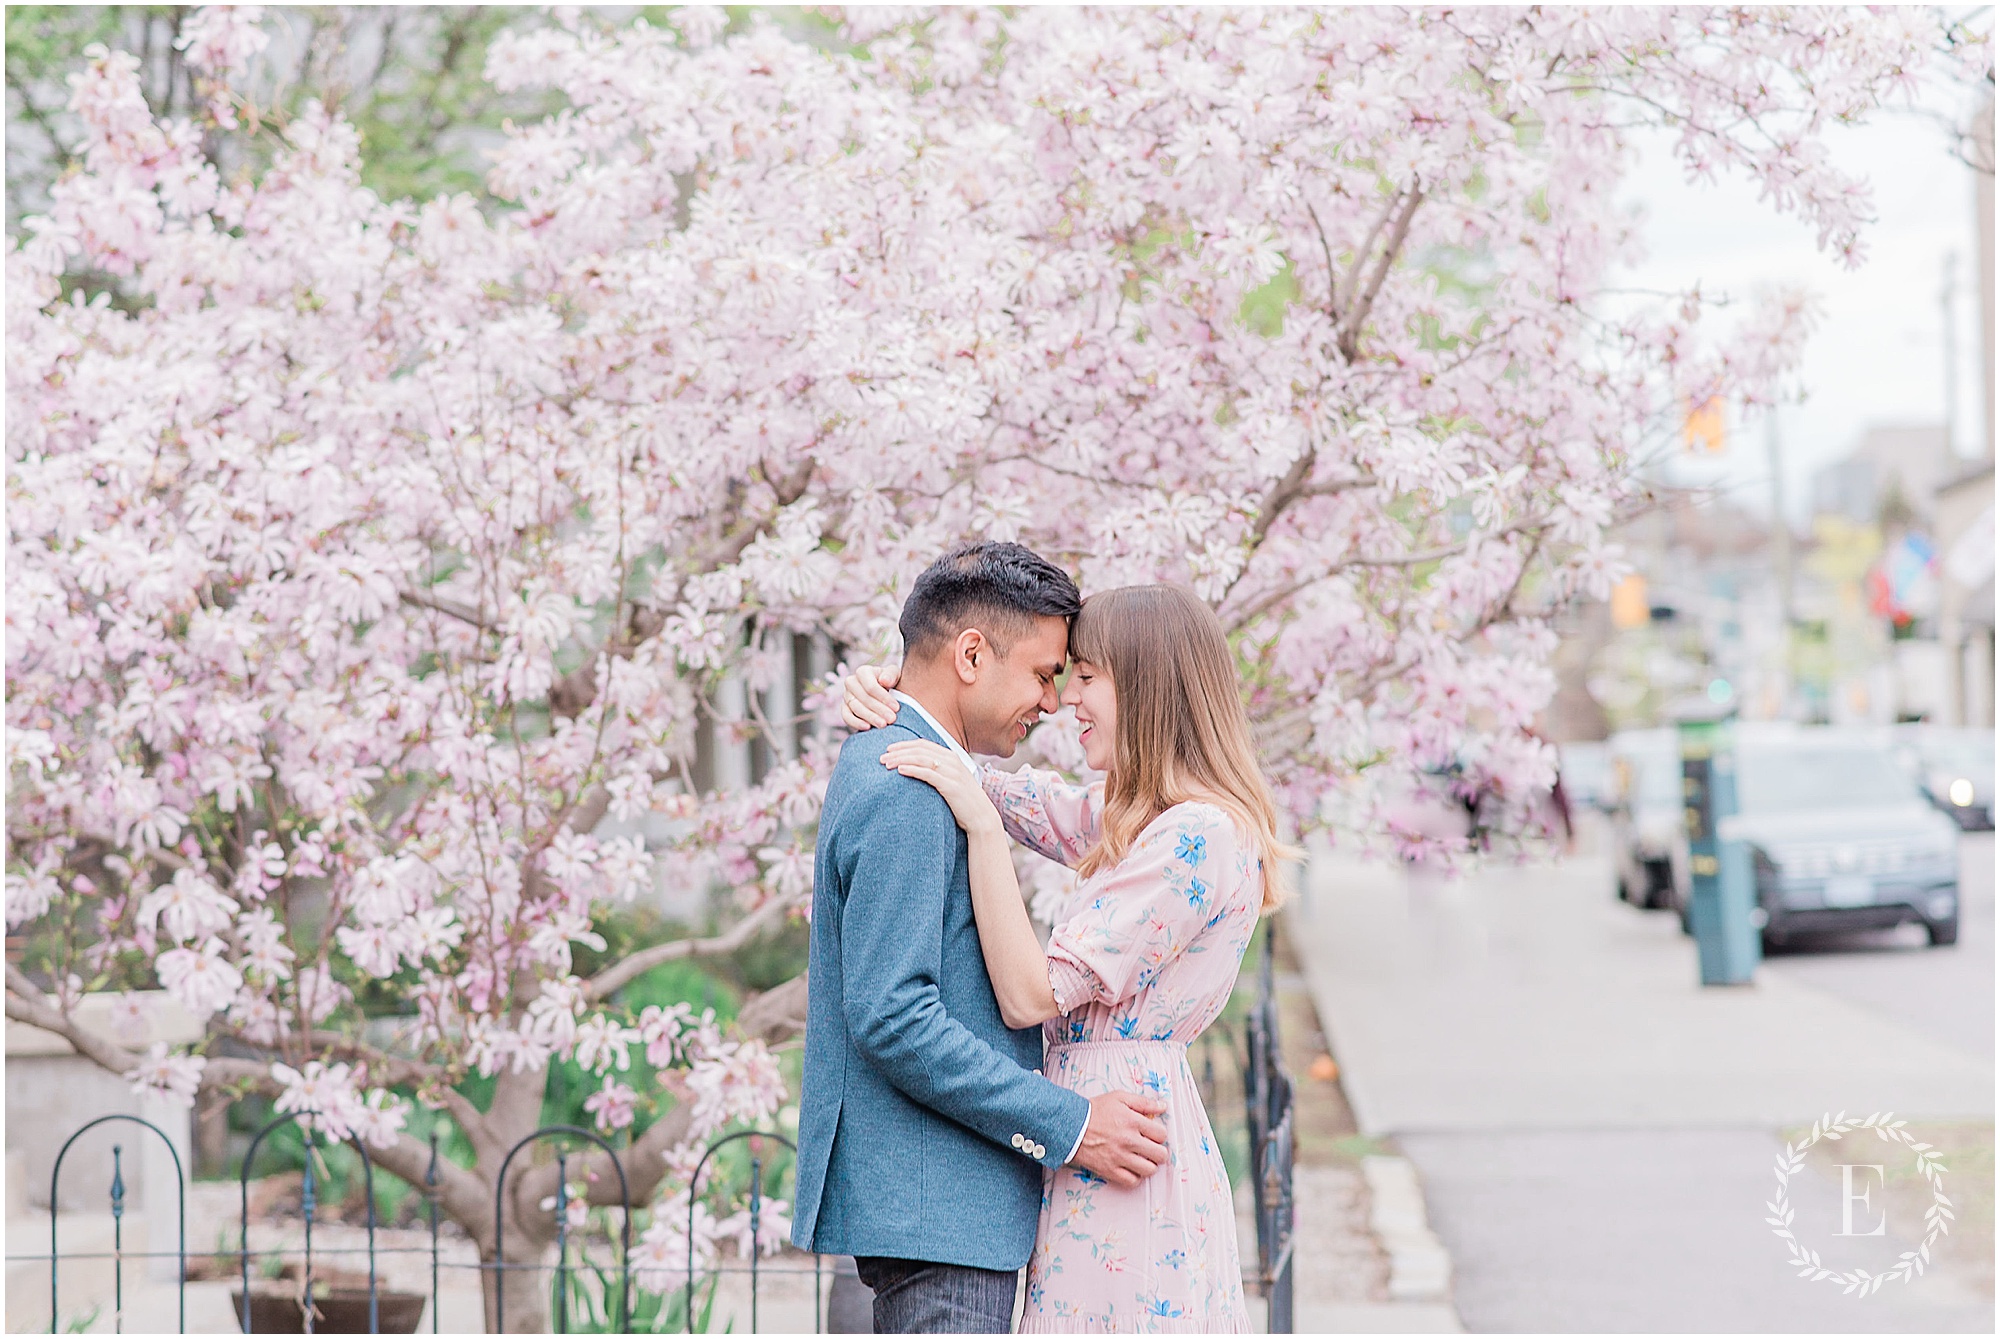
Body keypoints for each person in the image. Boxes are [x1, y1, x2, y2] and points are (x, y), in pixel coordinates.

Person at [841, 583, 1295, 1333]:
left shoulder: (1195, 839)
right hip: (1092, 1135)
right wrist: (901, 702)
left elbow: (1031, 995)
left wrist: (983, 832)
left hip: (1121, 1144)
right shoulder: (1141, 820)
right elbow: (1009, 790)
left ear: (1149, 686)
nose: (1064, 701)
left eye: (1086, 676)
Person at [791, 542, 1176, 1335]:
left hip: (942, 1206)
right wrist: (1071, 1122)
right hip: (942, 1212)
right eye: (1043, 673)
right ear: (972, 653)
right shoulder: (906, 786)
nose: (1051, 700)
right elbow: (894, 1015)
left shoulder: (917, 762)